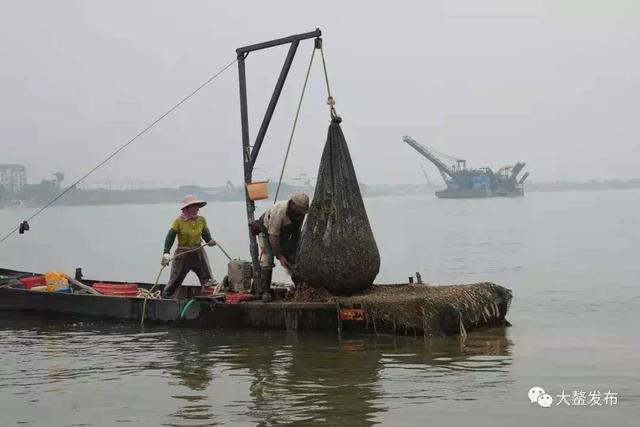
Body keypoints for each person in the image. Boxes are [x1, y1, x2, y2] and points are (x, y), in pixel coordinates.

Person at [253, 193, 309, 301]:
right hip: (266, 233)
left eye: (304, 210)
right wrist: (280, 256)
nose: (302, 212)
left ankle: (299, 286)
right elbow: (273, 237)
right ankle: (265, 291)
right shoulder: (279, 212)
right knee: (268, 258)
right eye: (301, 209)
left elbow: (296, 233)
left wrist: (293, 251)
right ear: (293, 205)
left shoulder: (300, 214)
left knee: (294, 258)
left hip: (283, 234)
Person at [161, 195, 217, 299]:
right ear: (187, 208)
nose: (196, 209)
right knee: (175, 280)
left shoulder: (201, 220)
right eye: (193, 207)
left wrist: (209, 240)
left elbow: (205, 234)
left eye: (197, 207)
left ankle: (210, 297)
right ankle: (167, 298)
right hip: (183, 253)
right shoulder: (178, 222)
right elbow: (170, 237)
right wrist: (166, 253)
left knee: (208, 279)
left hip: (198, 252)